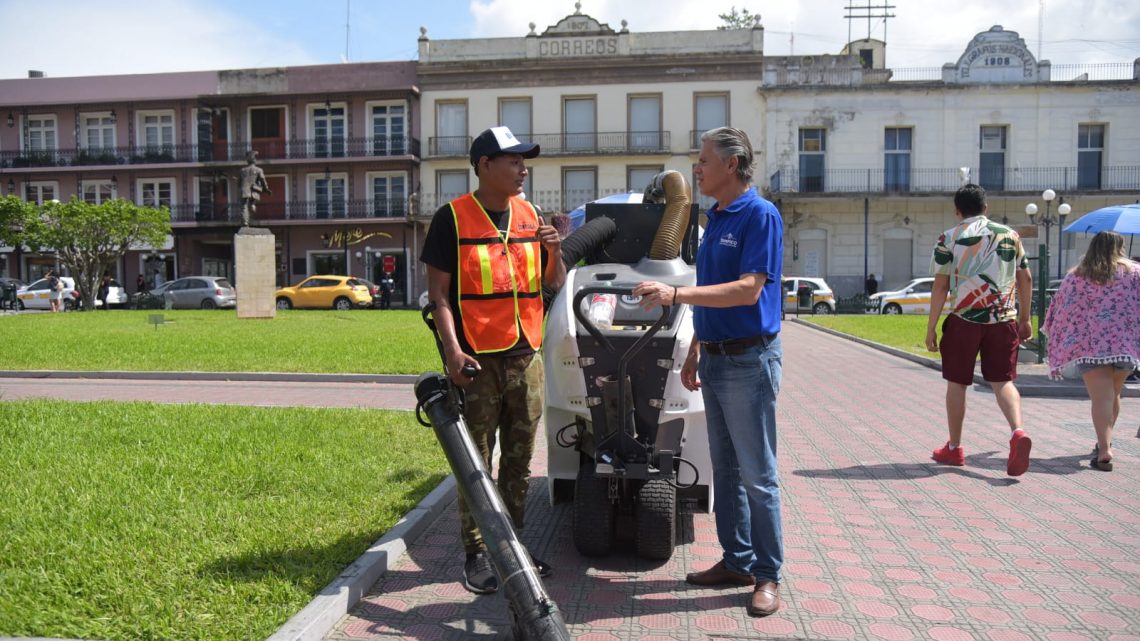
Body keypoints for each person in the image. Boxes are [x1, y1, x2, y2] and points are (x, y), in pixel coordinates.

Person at [633, 126, 785, 618]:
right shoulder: (716, 218)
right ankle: (737, 560)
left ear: (732, 166)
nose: (696, 168)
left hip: (749, 360)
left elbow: (746, 289)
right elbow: (713, 287)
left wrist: (675, 296)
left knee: (757, 475)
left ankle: (767, 575)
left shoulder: (759, 215)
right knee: (726, 470)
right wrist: (698, 346)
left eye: (703, 160)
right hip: (718, 355)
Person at [420, 126, 565, 595]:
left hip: (527, 359)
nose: (523, 169)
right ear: (485, 165)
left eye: (524, 162)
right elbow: (438, 295)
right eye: (513, 161)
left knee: (520, 462)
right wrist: (453, 352)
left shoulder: (530, 215)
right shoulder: (452, 219)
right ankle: (478, 553)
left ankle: (514, 550)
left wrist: (556, 249)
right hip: (478, 363)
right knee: (478, 463)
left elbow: (554, 284)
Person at [925, 183, 1034, 476]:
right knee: (1003, 381)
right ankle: (1018, 432)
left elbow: (940, 285)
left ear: (957, 210)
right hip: (1002, 319)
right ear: (986, 208)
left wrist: (932, 327)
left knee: (957, 383)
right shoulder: (1010, 236)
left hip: (964, 320)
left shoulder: (949, 237)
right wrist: (1025, 319)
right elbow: (1026, 278)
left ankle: (955, 447)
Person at [1043, 231, 1140, 471]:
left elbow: (1060, 309)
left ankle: (1105, 449)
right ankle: (1103, 443)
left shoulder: (1076, 276)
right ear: (1120, 247)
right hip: (1125, 348)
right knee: (1113, 394)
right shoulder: (1134, 273)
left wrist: (1059, 336)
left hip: (1090, 348)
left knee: (1102, 397)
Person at [239, 150, 271, 226]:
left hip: (244, 190)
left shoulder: (242, 170)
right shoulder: (259, 170)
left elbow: (239, 182)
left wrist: (240, 186)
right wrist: (266, 189)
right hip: (254, 190)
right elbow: (263, 181)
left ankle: (245, 222)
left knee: (244, 206)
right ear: (255, 160)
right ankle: (253, 206)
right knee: (251, 203)